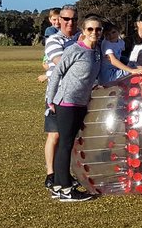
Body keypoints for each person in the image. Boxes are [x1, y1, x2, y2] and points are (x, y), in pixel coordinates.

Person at [44, 14, 105, 202]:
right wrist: (50, 100)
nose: (94, 33)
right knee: (65, 144)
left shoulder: (96, 52)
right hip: (66, 102)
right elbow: (57, 73)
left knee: (68, 145)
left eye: (98, 29)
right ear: (83, 31)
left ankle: (58, 186)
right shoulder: (75, 49)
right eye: (90, 29)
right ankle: (65, 189)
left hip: (81, 103)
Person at [40, 5, 79, 188]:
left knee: (69, 137)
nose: (70, 22)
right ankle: (51, 174)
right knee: (54, 135)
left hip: (78, 95)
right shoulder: (54, 40)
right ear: (59, 20)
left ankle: (65, 173)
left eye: (73, 19)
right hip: (58, 95)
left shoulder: (81, 38)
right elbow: (63, 64)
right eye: (66, 19)